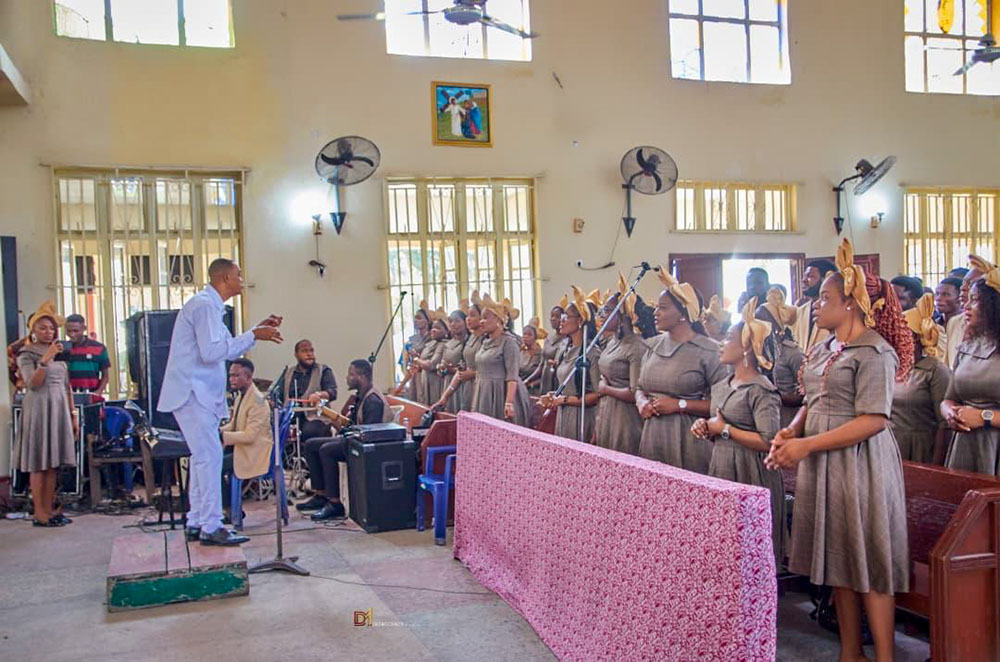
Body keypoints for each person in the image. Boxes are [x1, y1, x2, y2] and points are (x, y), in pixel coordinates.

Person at [767, 239, 912, 662]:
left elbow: (874, 419)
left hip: (861, 464)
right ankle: (851, 652)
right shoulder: (825, 349)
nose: (815, 304)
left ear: (852, 304)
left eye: (825, 297)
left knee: (869, 563)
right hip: (825, 460)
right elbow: (814, 401)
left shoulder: (874, 352)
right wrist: (792, 432)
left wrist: (807, 443)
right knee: (840, 563)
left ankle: (883, 655)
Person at [157, 258, 282, 546]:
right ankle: (211, 525)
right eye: (239, 275)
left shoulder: (211, 307)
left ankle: (197, 520)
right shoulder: (203, 306)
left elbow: (226, 348)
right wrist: (254, 335)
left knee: (204, 457)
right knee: (209, 457)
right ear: (225, 277)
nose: (242, 279)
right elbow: (212, 352)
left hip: (199, 393)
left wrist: (256, 332)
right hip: (193, 392)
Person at [693, 298, 786, 568]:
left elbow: (769, 442)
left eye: (729, 338)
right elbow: (717, 422)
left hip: (751, 472)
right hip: (722, 465)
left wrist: (725, 431)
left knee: (751, 555)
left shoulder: (761, 389)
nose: (722, 342)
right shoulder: (723, 384)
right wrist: (706, 427)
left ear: (746, 348)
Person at [636, 270, 726, 473]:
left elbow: (723, 405)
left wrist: (679, 404)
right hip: (653, 435)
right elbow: (640, 387)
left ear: (683, 315)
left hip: (690, 439)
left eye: (663, 308)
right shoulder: (652, 346)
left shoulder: (709, 351)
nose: (655, 313)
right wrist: (641, 402)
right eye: (657, 307)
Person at [298, 359, 394, 520]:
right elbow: (355, 427)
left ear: (362, 377)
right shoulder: (360, 397)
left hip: (367, 449)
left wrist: (342, 430)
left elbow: (369, 435)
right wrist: (340, 425)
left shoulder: (372, 401)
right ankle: (320, 494)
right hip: (355, 440)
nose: (347, 378)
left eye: (351, 374)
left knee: (327, 450)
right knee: (310, 445)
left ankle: (335, 503)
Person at [13, 302, 77, 527]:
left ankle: (50, 510)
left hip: (58, 409)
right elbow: (33, 383)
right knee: (39, 462)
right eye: (42, 328)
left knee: (53, 463)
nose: (48, 332)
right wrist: (46, 358)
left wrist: (72, 413)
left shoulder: (60, 352)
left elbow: (66, 385)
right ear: (33, 330)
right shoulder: (26, 354)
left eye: (51, 328)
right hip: (39, 409)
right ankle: (39, 513)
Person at [942, 258, 1000, 476]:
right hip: (965, 443)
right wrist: (950, 412)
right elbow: (950, 397)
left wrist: (984, 417)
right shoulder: (968, 345)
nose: (966, 306)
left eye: (975, 300)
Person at [593, 274, 654, 455]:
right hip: (607, 413)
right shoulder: (612, 342)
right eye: (602, 310)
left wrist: (605, 389)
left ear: (623, 315)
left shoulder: (636, 346)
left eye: (607, 310)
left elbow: (636, 392)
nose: (601, 315)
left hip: (626, 419)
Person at [892, 293, 950, 463]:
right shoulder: (891, 366)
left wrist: (938, 464)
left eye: (903, 335)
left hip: (921, 448)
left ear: (917, 339)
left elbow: (944, 424)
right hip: (892, 443)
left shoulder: (934, 370)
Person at [542, 286, 603, 442]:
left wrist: (564, 400)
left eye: (566, 316)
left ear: (580, 320)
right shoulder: (565, 349)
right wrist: (554, 395)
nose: (561, 320)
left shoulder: (592, 353)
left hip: (582, 417)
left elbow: (598, 394)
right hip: (564, 415)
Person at [219, 358, 272, 522]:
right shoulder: (241, 397)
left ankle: (229, 510)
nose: (231, 379)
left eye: (236, 376)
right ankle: (229, 508)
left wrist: (221, 437)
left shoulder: (258, 401)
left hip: (255, 452)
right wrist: (215, 431)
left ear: (248, 377)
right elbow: (234, 425)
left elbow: (249, 436)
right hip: (243, 449)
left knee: (213, 466)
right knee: (210, 461)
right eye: (230, 376)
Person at [469, 294, 534, 426]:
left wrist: (509, 402)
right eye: (481, 318)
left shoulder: (509, 342)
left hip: (502, 393)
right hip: (484, 392)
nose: (481, 321)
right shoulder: (485, 342)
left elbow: (512, 375)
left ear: (499, 320)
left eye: (486, 318)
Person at [272, 339, 338, 448]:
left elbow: (332, 392)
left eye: (311, 350)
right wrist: (272, 401)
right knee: (275, 431)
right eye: (304, 351)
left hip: (315, 416)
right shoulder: (288, 372)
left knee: (310, 431)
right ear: (296, 354)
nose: (309, 354)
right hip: (291, 416)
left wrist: (320, 395)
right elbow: (278, 394)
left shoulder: (323, 370)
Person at [756, 287, 804, 428]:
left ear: (775, 326)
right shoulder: (756, 352)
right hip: (762, 419)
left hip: (787, 420)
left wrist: (774, 396)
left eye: (763, 322)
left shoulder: (792, 352)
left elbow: (806, 395)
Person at [435, 293, 484, 413]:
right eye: (468, 315)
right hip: (467, 386)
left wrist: (473, 374)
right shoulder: (471, 339)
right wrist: (444, 397)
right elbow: (461, 371)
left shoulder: (486, 339)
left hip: (483, 385)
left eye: (472, 315)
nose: (468, 319)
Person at [945, 259, 989, 369]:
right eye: (963, 283)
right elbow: (948, 365)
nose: (963, 288)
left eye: (971, 284)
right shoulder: (955, 323)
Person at [792, 259, 837, 352]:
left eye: (810, 276)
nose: (804, 280)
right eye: (804, 276)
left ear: (826, 279)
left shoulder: (836, 310)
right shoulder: (800, 311)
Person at [528, 297, 567, 395]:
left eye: (557, 316)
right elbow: (541, 365)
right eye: (552, 316)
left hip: (557, 379)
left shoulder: (566, 339)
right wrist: (527, 380)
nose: (553, 319)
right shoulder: (548, 338)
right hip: (546, 378)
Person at [63, 314, 110, 395]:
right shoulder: (63, 349)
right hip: (69, 395)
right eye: (68, 331)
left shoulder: (99, 348)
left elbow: (105, 375)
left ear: (84, 328)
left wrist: (99, 391)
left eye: (75, 331)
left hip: (92, 393)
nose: (72, 334)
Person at [435, 310, 469, 413]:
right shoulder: (448, 344)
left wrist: (452, 369)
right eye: (451, 322)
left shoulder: (468, 343)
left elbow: (467, 367)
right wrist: (441, 369)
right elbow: (442, 363)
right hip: (447, 382)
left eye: (457, 321)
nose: (453, 324)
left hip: (463, 384)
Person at [412, 314, 448, 405]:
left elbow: (430, 365)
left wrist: (416, 359)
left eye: (438, 328)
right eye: (432, 327)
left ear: (446, 331)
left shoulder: (443, 345)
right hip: (425, 380)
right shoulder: (431, 343)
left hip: (435, 383)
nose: (433, 330)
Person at [519, 318, 544, 394]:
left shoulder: (541, 354)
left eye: (529, 334)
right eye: (524, 334)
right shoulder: (521, 353)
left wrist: (530, 384)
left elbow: (545, 376)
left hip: (535, 391)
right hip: (520, 390)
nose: (526, 337)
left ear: (535, 337)